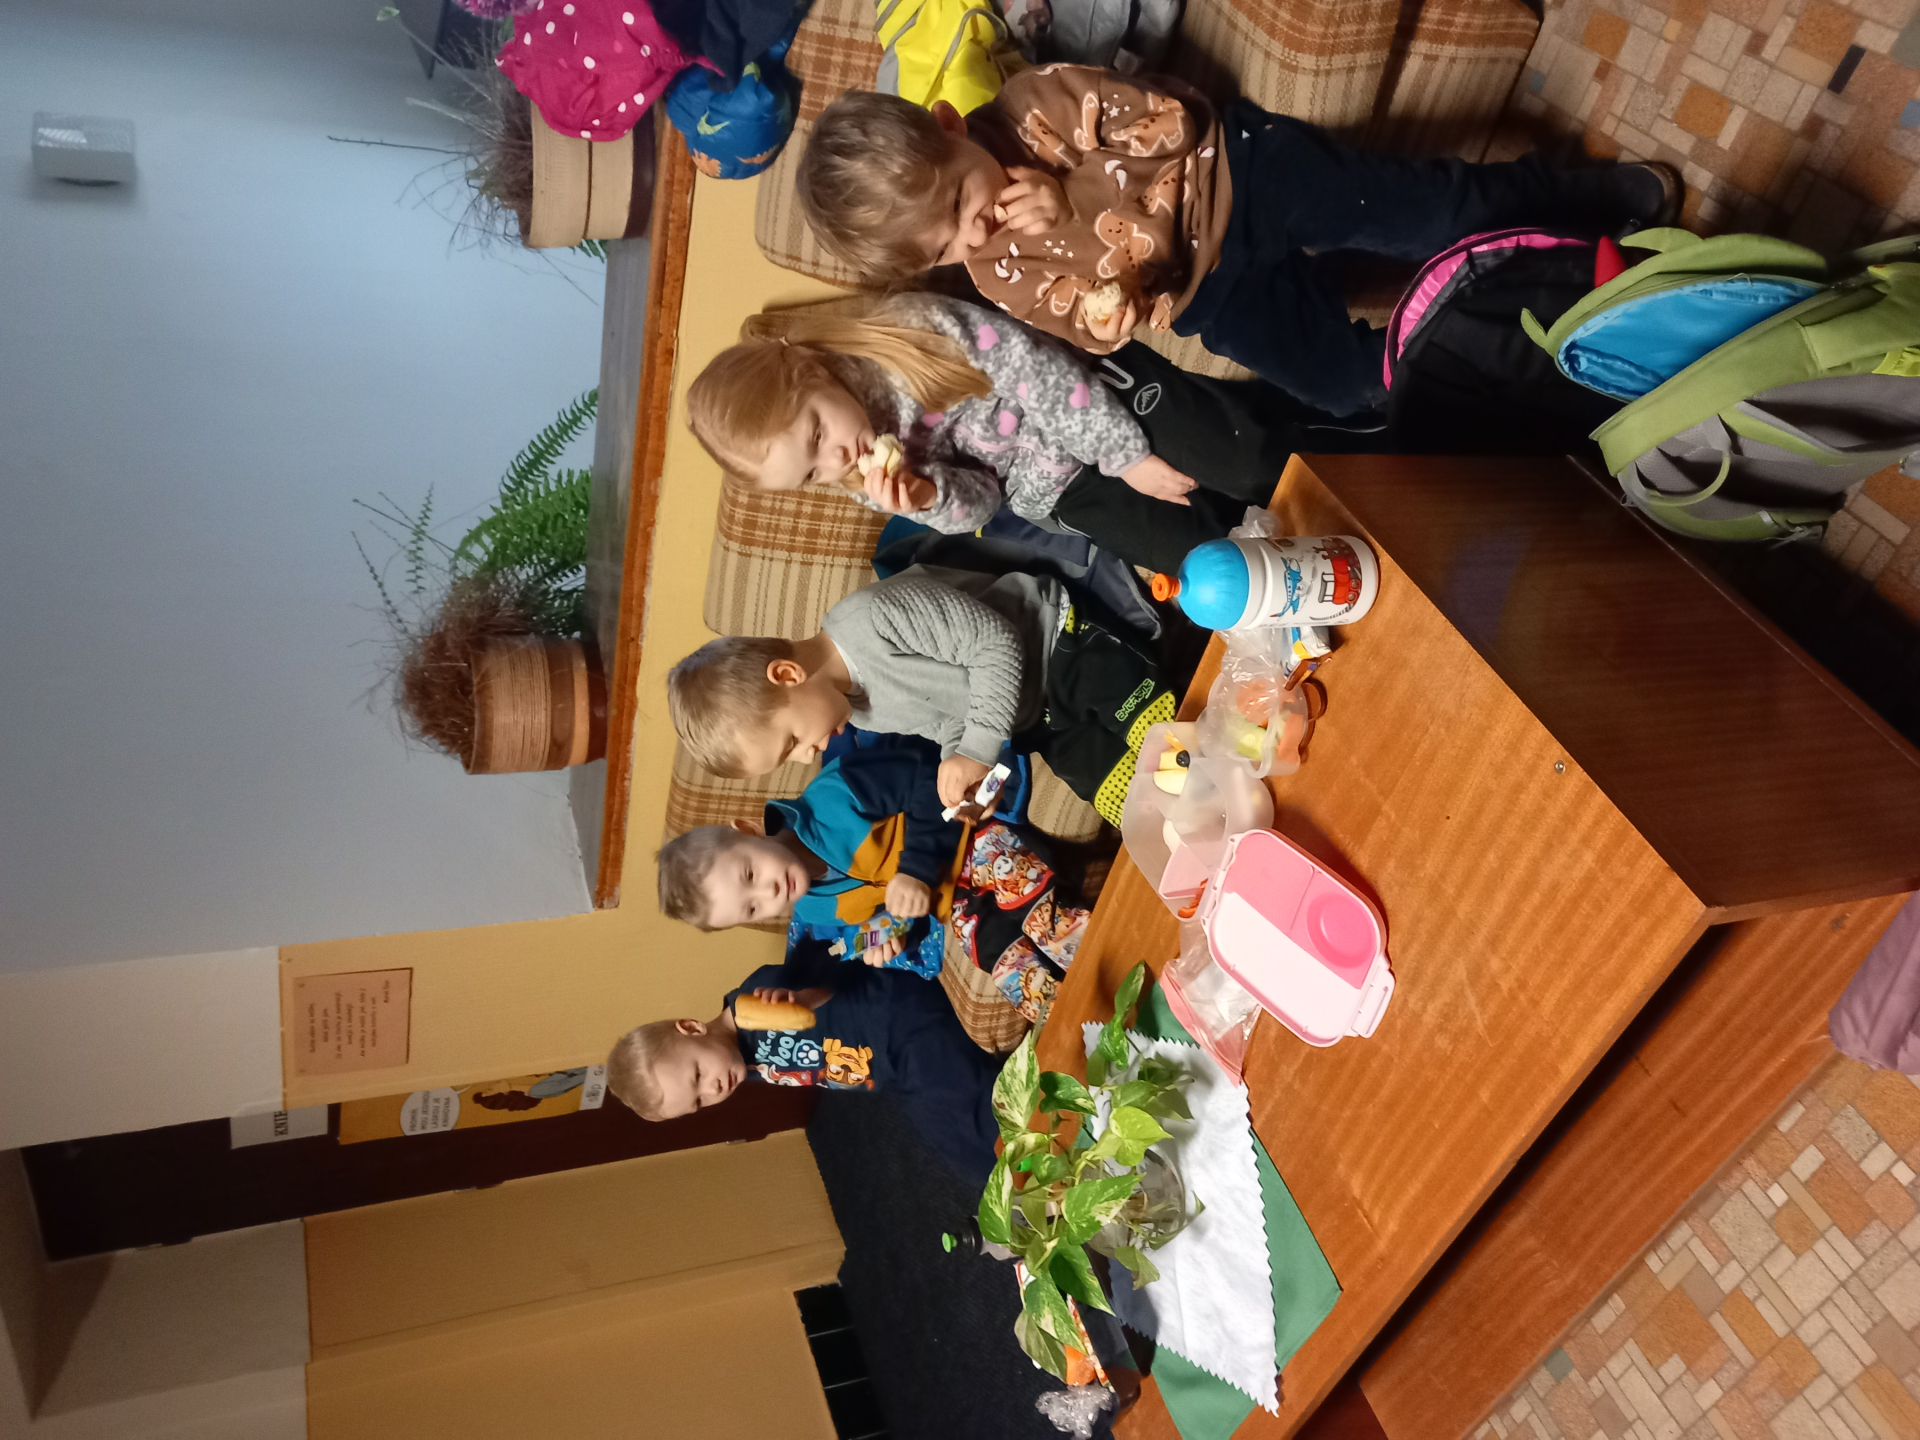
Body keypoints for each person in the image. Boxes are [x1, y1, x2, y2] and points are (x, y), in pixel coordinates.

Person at [795, 71, 1678, 416]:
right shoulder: (994, 271)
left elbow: (1172, 121)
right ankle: (1510, 341)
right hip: (1208, 293)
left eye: (960, 197)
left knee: (1436, 212)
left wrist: (1065, 197)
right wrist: (1111, 311)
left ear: (951, 125)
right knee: (1348, 388)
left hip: (1242, 175)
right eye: (943, 247)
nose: (975, 229)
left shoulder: (1036, 107)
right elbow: (1088, 328)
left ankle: (1574, 196)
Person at [687, 289, 1374, 572]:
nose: (836, 458)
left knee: (1248, 464)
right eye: (812, 472)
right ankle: (1333, 574)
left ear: (810, 369)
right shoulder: (866, 477)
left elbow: (1032, 366)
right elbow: (987, 500)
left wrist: (1123, 455)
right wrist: (930, 499)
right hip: (1053, 485)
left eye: (817, 435)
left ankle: (1369, 432)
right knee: (1206, 562)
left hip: (1090, 396)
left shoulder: (903, 332)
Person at [665, 563, 1176, 826]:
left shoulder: (871, 619)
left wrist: (976, 749)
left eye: (791, 743)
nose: (807, 757)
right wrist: (964, 764)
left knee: (1172, 740)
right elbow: (952, 716)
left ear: (786, 674)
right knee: (1130, 805)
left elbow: (995, 645)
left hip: (1058, 649)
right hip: (1038, 723)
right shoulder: (860, 715)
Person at [658, 738, 1092, 1024]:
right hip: (956, 904)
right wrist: (894, 935)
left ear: (748, 830)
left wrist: (914, 870)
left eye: (750, 874)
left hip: (973, 829)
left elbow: (930, 777)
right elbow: (906, 914)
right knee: (1009, 970)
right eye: (752, 908)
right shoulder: (815, 909)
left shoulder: (835, 794)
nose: (769, 892)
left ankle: (1096, 949)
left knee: (1042, 918)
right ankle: (1089, 1028)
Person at [605, 942, 1005, 1184]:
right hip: (894, 1071)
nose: (712, 1089)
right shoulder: (742, 1066)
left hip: (900, 1021)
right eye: (698, 1102)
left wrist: (800, 997)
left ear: (692, 1028)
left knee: (967, 1109)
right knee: (953, 1147)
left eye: (697, 1074)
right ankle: (1021, 1204)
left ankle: (1032, 1151)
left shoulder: (754, 1000)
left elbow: (823, 966)